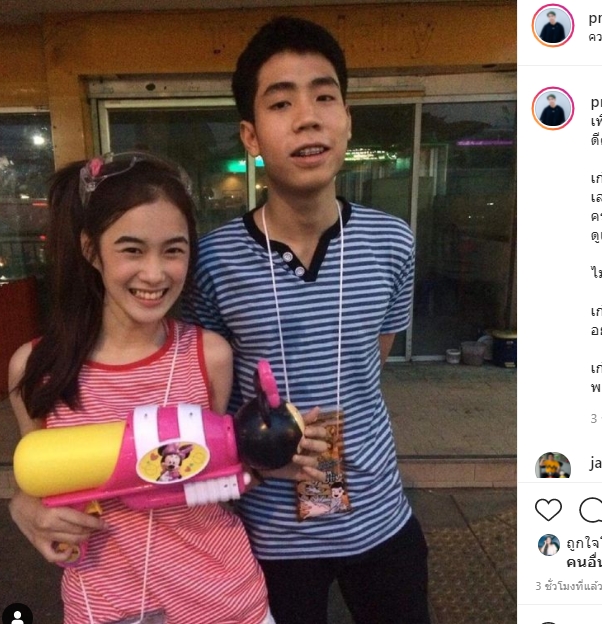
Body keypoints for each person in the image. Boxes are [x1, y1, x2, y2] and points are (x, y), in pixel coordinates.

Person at [182, 17, 429, 624]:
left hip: (380, 518)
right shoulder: (211, 261)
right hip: (265, 538)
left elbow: (369, 364)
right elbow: (202, 403)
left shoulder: (393, 241)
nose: (307, 118)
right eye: (281, 102)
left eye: (324, 97)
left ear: (347, 119)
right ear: (250, 135)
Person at [7, 153, 275, 624]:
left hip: (225, 603)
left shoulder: (209, 355)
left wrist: (273, 452)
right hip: (102, 608)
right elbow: (38, 480)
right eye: (131, 250)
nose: (154, 274)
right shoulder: (36, 368)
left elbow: (224, 475)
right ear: (91, 250)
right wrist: (22, 506)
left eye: (173, 250)